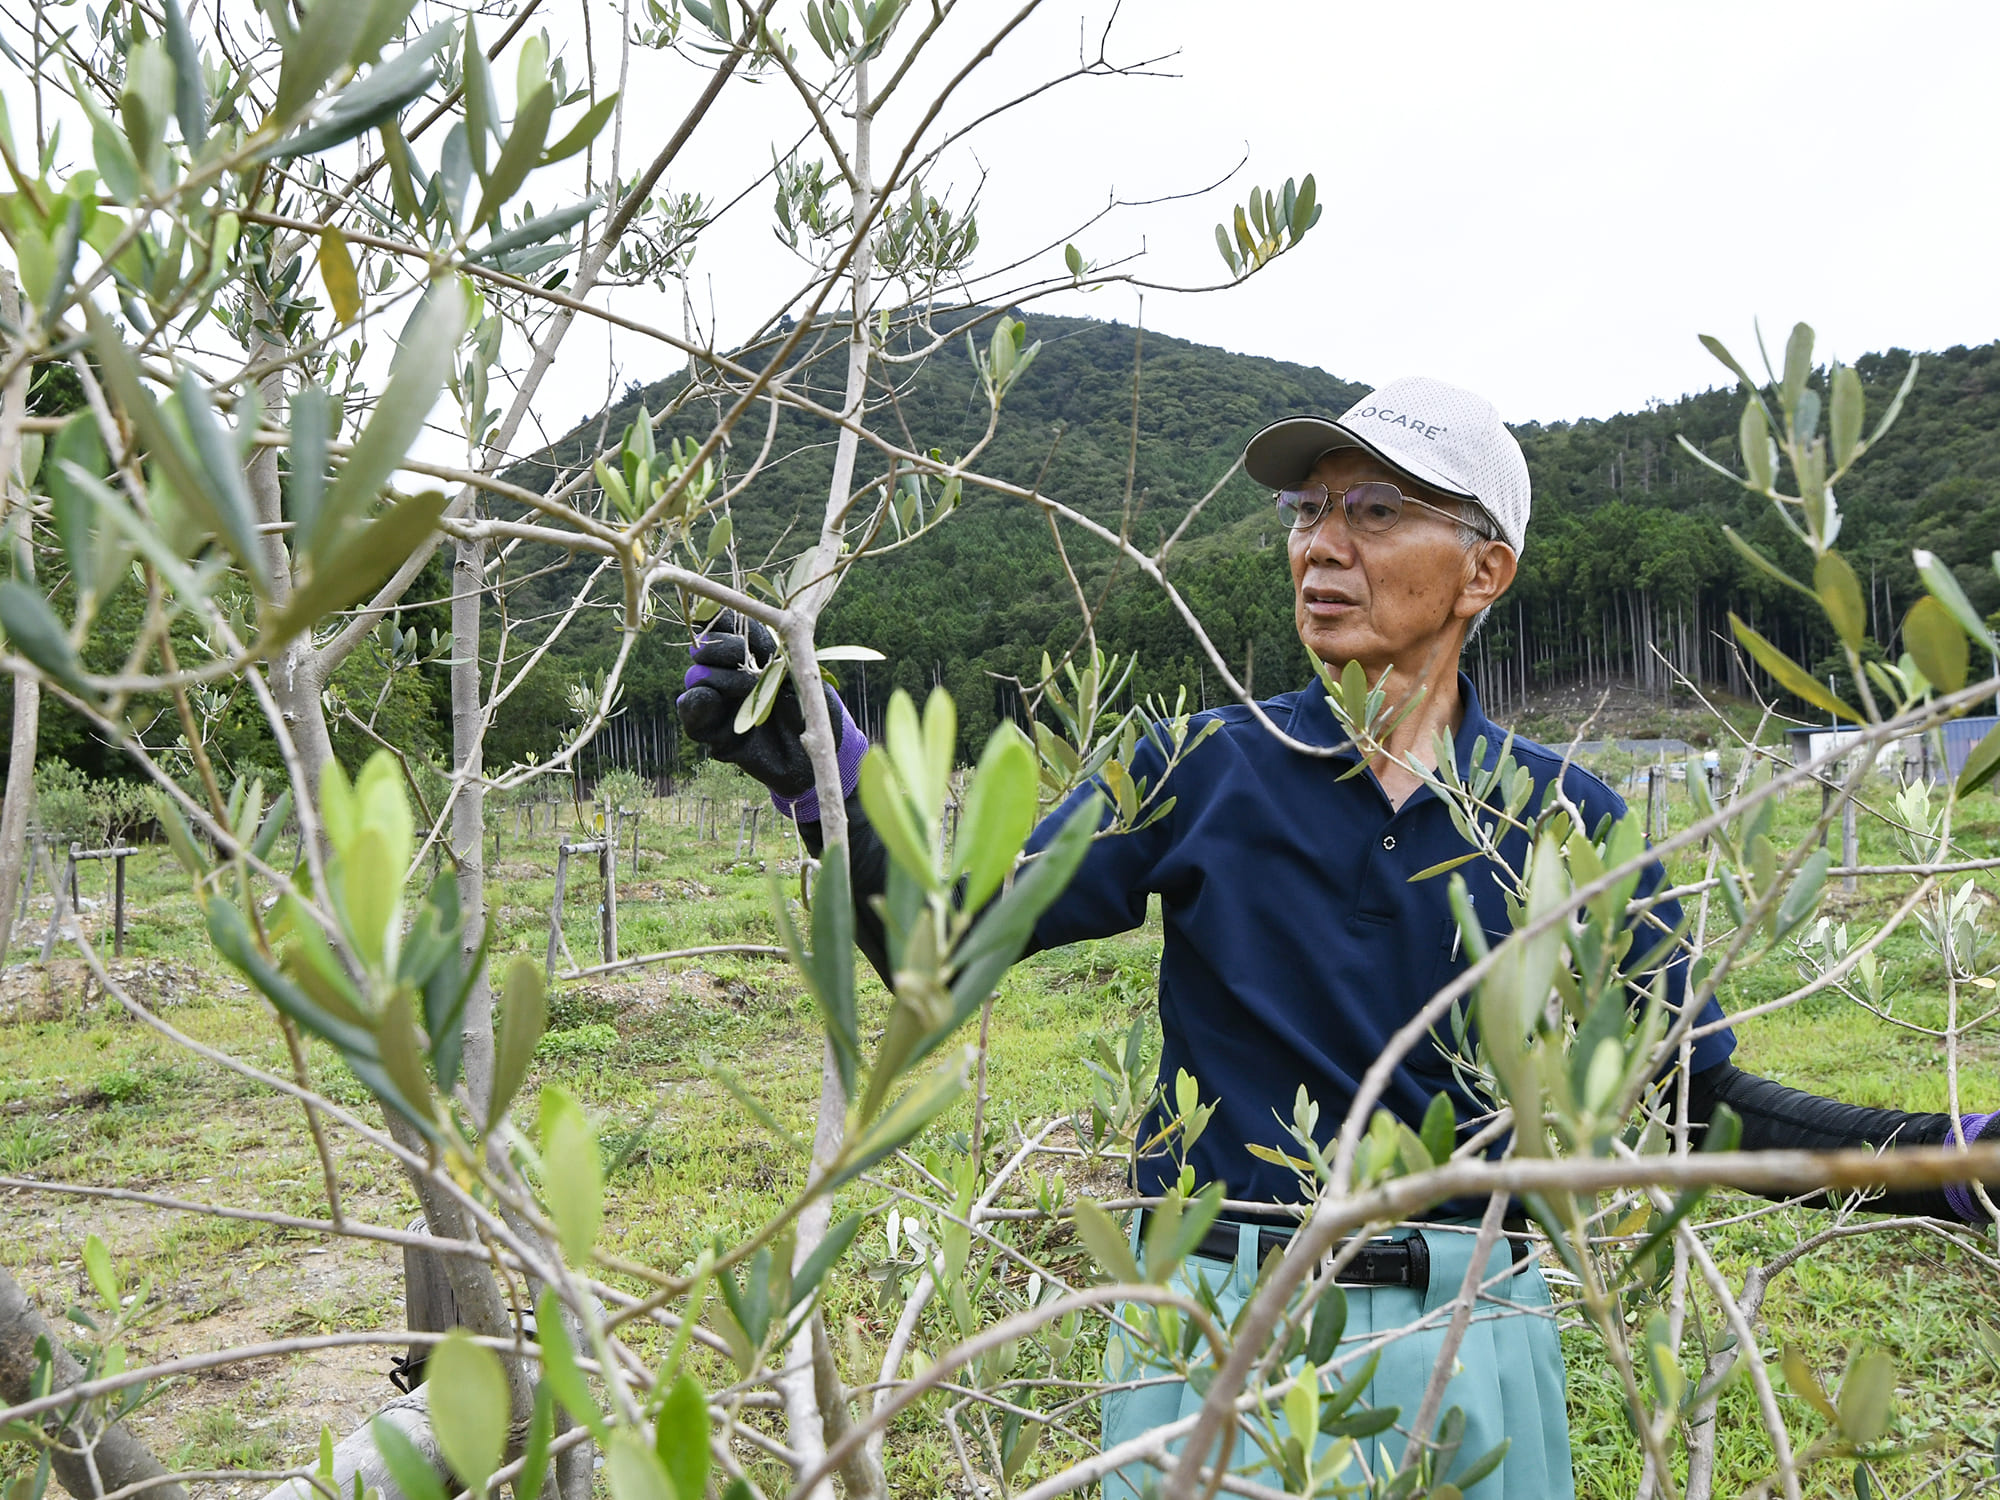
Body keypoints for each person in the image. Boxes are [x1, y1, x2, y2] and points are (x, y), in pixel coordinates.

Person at [677, 376, 1998, 1498]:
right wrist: (826, 775)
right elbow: (948, 935)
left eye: (1374, 512)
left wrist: (1941, 1165)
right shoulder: (1199, 768)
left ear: (1485, 569)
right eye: (1307, 513)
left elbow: (1686, 1106)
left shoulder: (1570, 823)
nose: (1321, 545)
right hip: (1213, 1316)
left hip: (1474, 1320)